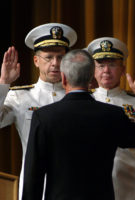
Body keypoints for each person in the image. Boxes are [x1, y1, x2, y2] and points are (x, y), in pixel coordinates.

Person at [22, 49, 135, 200]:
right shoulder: (113, 115)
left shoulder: (44, 117)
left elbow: (33, 176)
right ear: (91, 78)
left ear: (64, 77)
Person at [0, 23, 77, 199]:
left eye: (60, 57)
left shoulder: (80, 97)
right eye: (49, 57)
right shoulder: (21, 96)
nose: (55, 63)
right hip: (35, 189)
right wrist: (4, 83)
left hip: (72, 189)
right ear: (36, 61)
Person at [86, 37, 135, 200]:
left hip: (127, 192)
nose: (106, 71)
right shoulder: (84, 102)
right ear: (93, 70)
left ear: (123, 69)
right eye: (101, 65)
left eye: (112, 65)